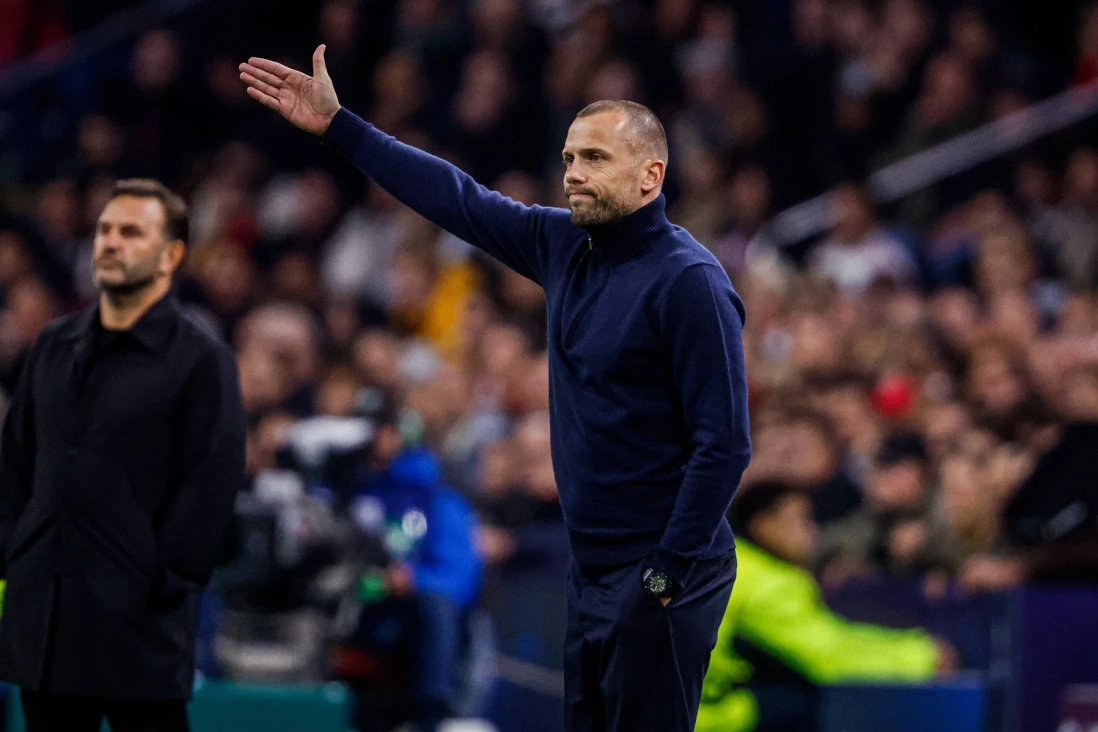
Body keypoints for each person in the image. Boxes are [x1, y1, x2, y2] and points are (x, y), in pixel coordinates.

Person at [240, 44, 751, 731]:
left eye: (595, 159)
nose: (573, 174)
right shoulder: (563, 246)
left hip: (662, 573)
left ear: (649, 175)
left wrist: (664, 574)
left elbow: (725, 446)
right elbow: (458, 198)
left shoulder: (690, 282)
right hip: (593, 569)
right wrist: (341, 127)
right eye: (569, 158)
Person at [0, 179, 247, 731]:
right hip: (46, 623)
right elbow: (15, 463)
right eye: (105, 230)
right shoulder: (54, 344)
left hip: (139, 629)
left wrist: (163, 582)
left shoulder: (200, 359)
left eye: (132, 232)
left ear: (171, 255)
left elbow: (211, 485)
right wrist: (16, 555)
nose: (111, 243)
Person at [697, 482, 956, 732]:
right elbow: (831, 659)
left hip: (689, 713)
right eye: (801, 520)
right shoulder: (765, 583)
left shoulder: (730, 563)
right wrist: (923, 657)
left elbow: (833, 637)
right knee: (802, 702)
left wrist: (912, 645)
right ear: (763, 524)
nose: (812, 532)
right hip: (707, 719)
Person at [342, 391, 482, 732]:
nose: (371, 438)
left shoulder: (436, 495)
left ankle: (430, 713)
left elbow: (459, 577)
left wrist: (410, 580)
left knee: (436, 606)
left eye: (379, 428)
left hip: (405, 623)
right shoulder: (346, 488)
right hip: (354, 609)